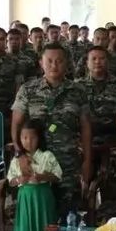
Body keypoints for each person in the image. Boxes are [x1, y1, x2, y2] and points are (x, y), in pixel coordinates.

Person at [11, 44, 93, 220]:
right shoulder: (27, 90)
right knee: (39, 215)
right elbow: (16, 124)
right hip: (35, 164)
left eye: (59, 61)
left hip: (68, 164)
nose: (54, 65)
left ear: (67, 64)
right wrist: (19, 154)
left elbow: (86, 128)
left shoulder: (78, 91)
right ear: (41, 63)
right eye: (49, 61)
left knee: (68, 215)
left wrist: (87, 161)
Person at [7, 119, 62, 231]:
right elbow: (10, 181)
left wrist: (43, 177)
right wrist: (19, 179)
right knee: (25, 230)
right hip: (26, 198)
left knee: (43, 229)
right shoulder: (17, 160)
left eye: (32, 138)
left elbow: (57, 175)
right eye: (24, 138)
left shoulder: (47, 156)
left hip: (43, 198)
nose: (27, 142)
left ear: (39, 139)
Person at [76, 46, 116, 149]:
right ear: (87, 62)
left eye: (102, 58)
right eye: (93, 59)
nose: (97, 62)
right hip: (84, 142)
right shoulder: (77, 86)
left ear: (108, 61)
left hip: (114, 141)